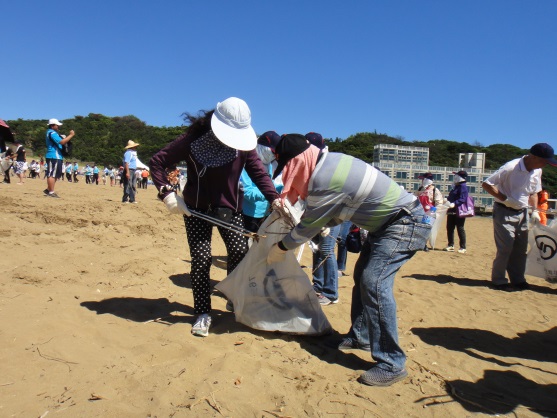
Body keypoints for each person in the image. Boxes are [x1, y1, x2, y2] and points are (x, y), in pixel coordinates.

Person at [266, 134, 431, 386]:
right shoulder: (331, 162)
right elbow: (344, 206)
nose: (289, 174)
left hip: (404, 223)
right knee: (362, 277)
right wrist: (323, 224)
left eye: (289, 166)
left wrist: (281, 247)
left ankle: (392, 363)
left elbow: (308, 225)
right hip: (386, 225)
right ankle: (361, 336)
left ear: (299, 160)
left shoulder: (324, 178)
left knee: (373, 282)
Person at [149, 97, 280, 338]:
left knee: (240, 251)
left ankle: (233, 297)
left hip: (228, 209)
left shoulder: (244, 147)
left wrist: (275, 198)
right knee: (201, 258)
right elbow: (158, 162)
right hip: (195, 209)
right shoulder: (192, 140)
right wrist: (167, 193)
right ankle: (202, 312)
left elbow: (259, 174)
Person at [482, 143, 557, 291]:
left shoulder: (537, 171)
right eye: (544, 161)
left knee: (520, 249)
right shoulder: (511, 167)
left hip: (523, 212)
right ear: (533, 156)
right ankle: (499, 280)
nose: (545, 165)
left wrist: (535, 210)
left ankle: (518, 279)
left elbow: (534, 192)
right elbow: (487, 184)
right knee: (505, 247)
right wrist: (505, 199)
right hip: (504, 210)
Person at [304, 132, 341, 306]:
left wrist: (327, 222)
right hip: (316, 214)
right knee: (316, 250)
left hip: (332, 215)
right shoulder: (311, 164)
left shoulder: (328, 164)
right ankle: (317, 286)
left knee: (326, 251)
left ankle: (331, 292)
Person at [240, 131, 282, 233]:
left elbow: (269, 185)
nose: (273, 156)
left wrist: (281, 189)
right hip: (248, 214)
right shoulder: (245, 164)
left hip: (265, 214)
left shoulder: (269, 165)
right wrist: (269, 194)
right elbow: (247, 191)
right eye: (272, 152)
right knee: (247, 246)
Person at [45, 119, 75, 198]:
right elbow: (62, 142)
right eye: (57, 125)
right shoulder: (52, 133)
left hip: (56, 156)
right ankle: (51, 192)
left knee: (55, 174)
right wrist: (71, 135)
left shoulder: (51, 133)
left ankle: (49, 189)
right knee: (52, 174)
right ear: (52, 125)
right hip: (53, 155)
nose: (58, 126)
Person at [442, 170, 469, 254]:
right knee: (449, 227)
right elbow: (452, 196)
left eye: (456, 176)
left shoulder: (463, 186)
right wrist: (447, 200)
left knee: (460, 228)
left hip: (459, 210)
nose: (454, 177)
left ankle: (463, 247)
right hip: (451, 210)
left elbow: (463, 199)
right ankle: (451, 245)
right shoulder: (455, 186)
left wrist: (455, 203)